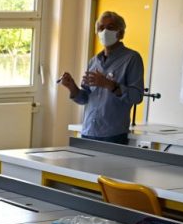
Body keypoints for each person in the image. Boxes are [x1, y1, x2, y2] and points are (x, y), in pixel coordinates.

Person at [59, 11, 144, 145]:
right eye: (101, 28)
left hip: (113, 134)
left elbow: (137, 96)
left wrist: (109, 85)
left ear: (121, 33)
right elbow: (85, 98)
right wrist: (72, 87)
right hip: (88, 131)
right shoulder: (94, 61)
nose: (104, 31)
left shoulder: (131, 58)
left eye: (110, 28)